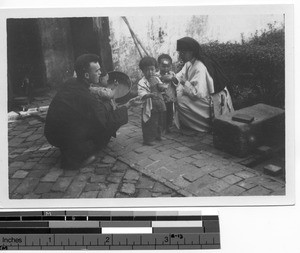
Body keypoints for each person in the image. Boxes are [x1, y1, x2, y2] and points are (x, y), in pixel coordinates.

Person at [44, 54, 132, 170]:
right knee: (101, 134)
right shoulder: (86, 97)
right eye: (97, 71)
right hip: (60, 136)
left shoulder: (71, 83)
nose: (100, 73)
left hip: (52, 132)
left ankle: (72, 148)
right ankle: (75, 159)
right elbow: (105, 123)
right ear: (86, 75)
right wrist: (126, 107)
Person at [161, 36, 234, 132]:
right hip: (204, 95)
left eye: (183, 53)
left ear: (192, 52)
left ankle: (204, 125)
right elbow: (180, 76)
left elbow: (198, 94)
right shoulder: (189, 63)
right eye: (180, 53)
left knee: (180, 100)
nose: (180, 56)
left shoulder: (200, 67)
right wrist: (172, 78)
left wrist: (184, 82)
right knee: (177, 94)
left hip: (213, 100)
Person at [137, 56, 166, 146]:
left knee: (160, 120)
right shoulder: (142, 82)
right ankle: (148, 139)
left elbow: (161, 86)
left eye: (152, 69)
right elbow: (141, 92)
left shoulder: (156, 78)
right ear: (142, 71)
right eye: (147, 70)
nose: (150, 72)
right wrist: (148, 95)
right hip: (149, 105)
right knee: (150, 122)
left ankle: (158, 134)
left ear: (155, 69)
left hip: (159, 103)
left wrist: (162, 87)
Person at [157, 54, 177, 133]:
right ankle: (161, 127)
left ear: (171, 66)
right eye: (163, 66)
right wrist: (161, 79)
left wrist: (172, 78)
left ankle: (168, 126)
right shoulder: (156, 75)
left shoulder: (172, 74)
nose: (166, 69)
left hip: (170, 98)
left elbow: (176, 83)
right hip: (160, 99)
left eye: (168, 66)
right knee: (162, 113)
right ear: (159, 65)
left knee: (169, 113)